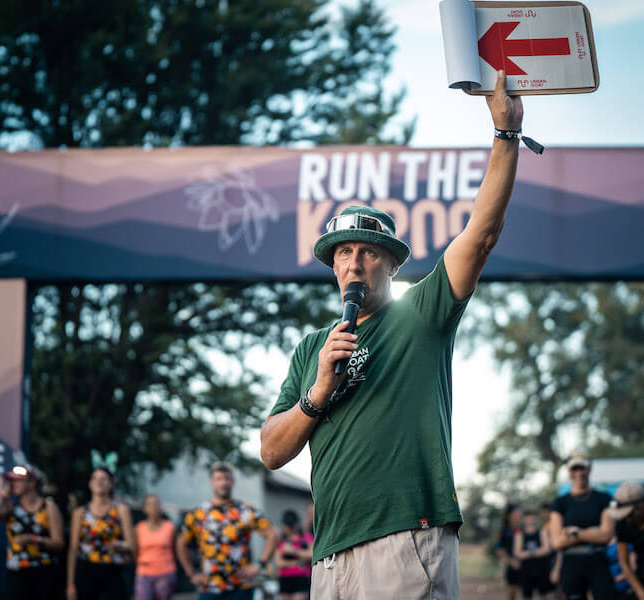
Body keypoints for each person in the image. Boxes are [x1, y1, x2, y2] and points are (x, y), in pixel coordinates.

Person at [260, 69, 526, 599]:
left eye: (368, 252)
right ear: (333, 266)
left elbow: (481, 235)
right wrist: (318, 391)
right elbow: (270, 451)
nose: (354, 263)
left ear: (392, 264)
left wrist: (505, 134)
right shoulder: (312, 348)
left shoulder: (421, 314)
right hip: (330, 552)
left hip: (406, 539)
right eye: (344, 253)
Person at [175, 462, 278, 599]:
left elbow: (272, 535)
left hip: (241, 587)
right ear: (212, 482)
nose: (223, 483)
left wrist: (259, 565)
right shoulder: (198, 513)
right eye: (218, 479)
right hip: (209, 587)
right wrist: (191, 573)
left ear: (232, 481)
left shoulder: (246, 511)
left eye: (226, 479)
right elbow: (181, 543)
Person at [0, 463, 64, 599]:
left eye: (18, 480)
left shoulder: (48, 507)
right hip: (17, 571)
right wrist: (5, 493)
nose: (14, 484)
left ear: (32, 482)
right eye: (12, 481)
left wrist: (32, 539)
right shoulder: (11, 508)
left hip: (43, 571)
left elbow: (59, 543)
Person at [548, 450, 616, 600]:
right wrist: (593, 532)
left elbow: (606, 536)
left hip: (598, 561)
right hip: (571, 564)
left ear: (589, 468)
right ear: (569, 471)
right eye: (574, 468)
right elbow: (557, 542)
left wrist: (574, 532)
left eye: (582, 468)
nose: (579, 473)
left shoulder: (604, 499)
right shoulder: (560, 503)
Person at [66, 466, 135, 600]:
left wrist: (120, 545)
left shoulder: (121, 510)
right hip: (87, 570)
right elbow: (73, 549)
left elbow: (131, 545)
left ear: (111, 484)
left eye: (103, 479)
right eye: (95, 478)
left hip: (113, 570)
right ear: (90, 483)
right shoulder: (80, 512)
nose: (99, 482)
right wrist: (70, 585)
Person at [134, 494, 176, 600]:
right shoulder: (139, 528)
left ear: (160, 507)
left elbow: (175, 549)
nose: (153, 507)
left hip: (165, 572)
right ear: (144, 508)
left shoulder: (170, 527)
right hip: (144, 573)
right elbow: (135, 551)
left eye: (156, 504)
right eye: (149, 504)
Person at [514, 510, 554, 600]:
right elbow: (517, 553)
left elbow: (547, 549)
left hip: (541, 569)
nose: (530, 520)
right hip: (526, 571)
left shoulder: (542, 532)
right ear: (524, 519)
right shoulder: (519, 534)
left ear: (536, 519)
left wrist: (527, 553)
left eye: (533, 517)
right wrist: (536, 552)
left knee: (543, 595)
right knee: (526, 595)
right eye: (528, 518)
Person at [275, 509, 313, 600]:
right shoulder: (282, 540)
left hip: (301, 578)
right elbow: (278, 562)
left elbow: (312, 554)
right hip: (285, 579)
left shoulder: (306, 538)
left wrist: (294, 551)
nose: (289, 528)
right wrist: (296, 563)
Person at [496, 504, 523, 600]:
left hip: (525, 565)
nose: (518, 517)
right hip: (511, 566)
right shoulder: (504, 532)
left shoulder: (523, 529)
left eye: (519, 515)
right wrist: (511, 561)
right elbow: (499, 550)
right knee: (512, 592)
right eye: (515, 515)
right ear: (509, 517)